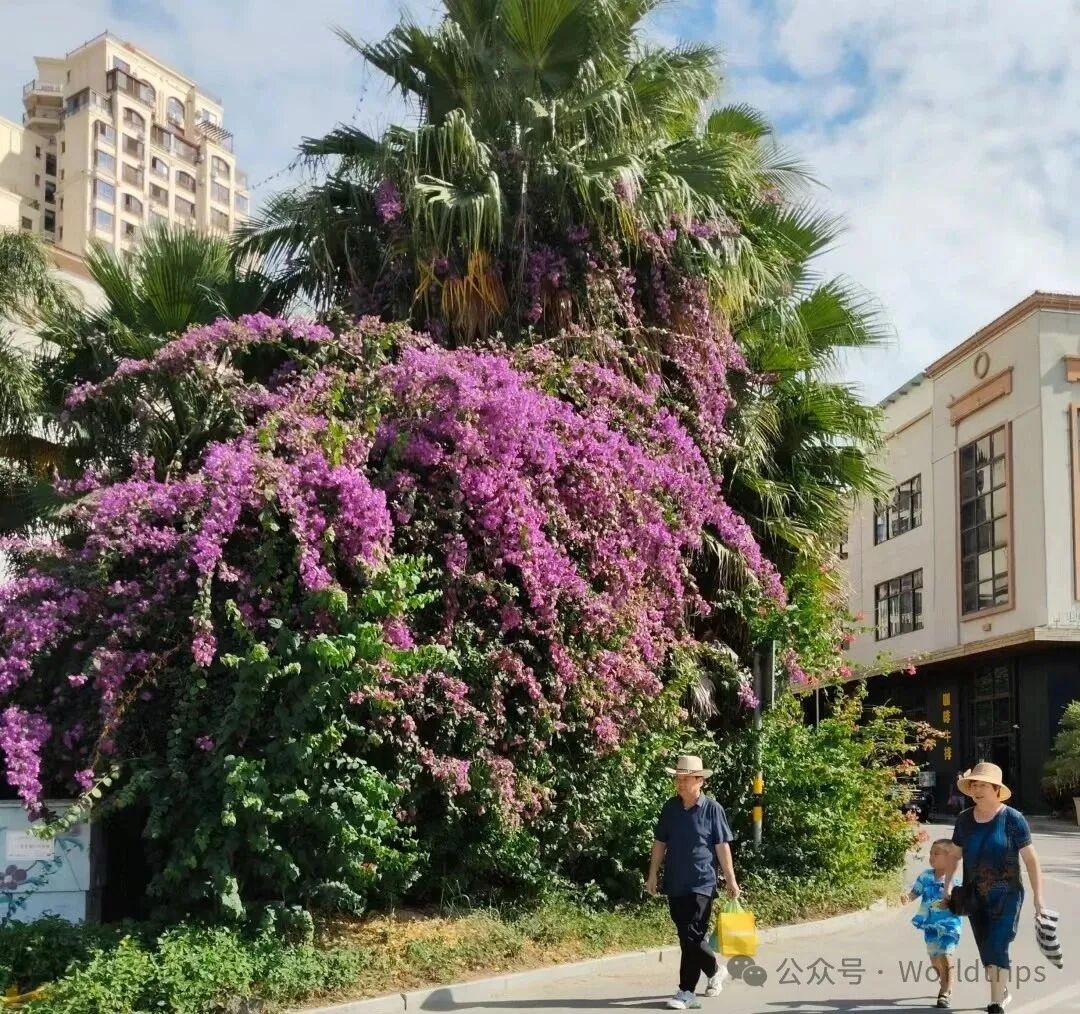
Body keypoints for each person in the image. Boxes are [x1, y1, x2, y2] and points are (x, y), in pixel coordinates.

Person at [944, 762, 1048, 1014]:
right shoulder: (964, 820)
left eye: (983, 786)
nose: (977, 790)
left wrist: (1038, 898)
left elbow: (1031, 859)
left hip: (1007, 896)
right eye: (974, 785)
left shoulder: (1013, 819)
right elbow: (954, 855)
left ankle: (995, 1002)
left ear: (996, 790)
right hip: (974, 897)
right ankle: (1001, 988)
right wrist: (947, 885)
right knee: (986, 949)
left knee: (997, 945)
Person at [645, 755, 740, 1010]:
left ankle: (686, 992)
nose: (680, 783)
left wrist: (730, 880)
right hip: (675, 882)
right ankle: (715, 970)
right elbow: (660, 843)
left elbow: (722, 846)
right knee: (686, 937)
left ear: (700, 781)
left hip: (702, 882)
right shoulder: (670, 808)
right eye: (678, 778)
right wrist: (653, 874)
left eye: (686, 779)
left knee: (691, 935)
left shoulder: (712, 809)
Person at [902, 839, 964, 1008]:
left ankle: (946, 990)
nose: (931, 856)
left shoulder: (955, 881)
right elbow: (915, 892)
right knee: (935, 959)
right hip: (930, 924)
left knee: (945, 953)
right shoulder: (926, 876)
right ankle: (944, 979)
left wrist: (950, 901)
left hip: (950, 925)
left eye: (936, 853)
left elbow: (962, 902)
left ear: (950, 858)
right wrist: (906, 898)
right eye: (930, 853)